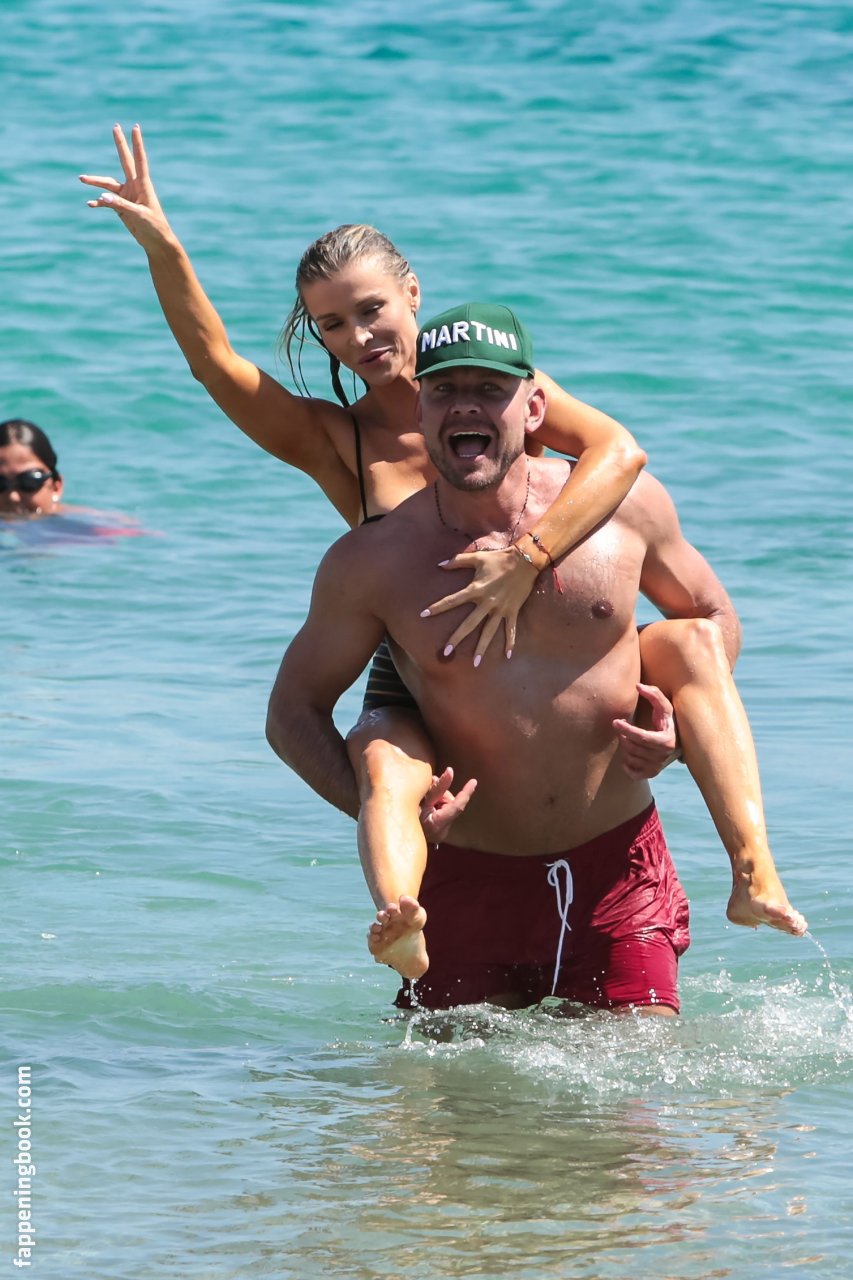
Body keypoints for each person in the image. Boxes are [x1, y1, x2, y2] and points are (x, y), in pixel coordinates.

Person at [81, 126, 803, 946]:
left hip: (558, 639)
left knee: (689, 642)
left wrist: (526, 561)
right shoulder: (336, 441)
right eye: (331, 325)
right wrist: (165, 249)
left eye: (371, 310)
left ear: (411, 294)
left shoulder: (494, 389)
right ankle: (401, 918)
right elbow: (215, 363)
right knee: (382, 754)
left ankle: (754, 873)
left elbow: (617, 452)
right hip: (426, 657)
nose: (359, 338)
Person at [266, 304, 806, 1015]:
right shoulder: (373, 561)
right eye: (444, 390)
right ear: (420, 412)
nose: (466, 406)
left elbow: (714, 617)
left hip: (617, 871)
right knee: (447, 1096)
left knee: (638, 1084)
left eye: (490, 389)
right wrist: (380, 814)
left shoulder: (625, 511)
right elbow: (292, 712)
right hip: (462, 884)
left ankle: (753, 868)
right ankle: (400, 915)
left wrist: (675, 734)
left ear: (534, 408)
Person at [0, 419, 64, 518]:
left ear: (56, 488)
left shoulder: (82, 525)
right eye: (1, 484)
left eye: (28, 482)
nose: (13, 497)